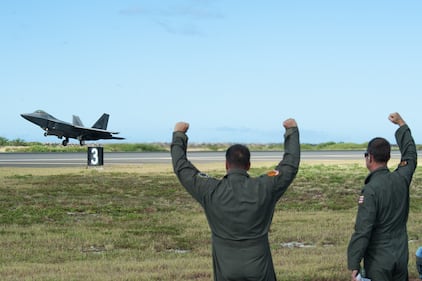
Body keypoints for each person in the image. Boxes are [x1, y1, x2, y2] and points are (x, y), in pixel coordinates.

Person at [171, 119, 300, 281]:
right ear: (248, 165)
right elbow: (290, 166)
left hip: (226, 270)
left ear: (226, 164)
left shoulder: (211, 190)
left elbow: (182, 168)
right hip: (260, 267)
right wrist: (292, 131)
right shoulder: (265, 187)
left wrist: (179, 135)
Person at [347, 112, 417, 281]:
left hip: (379, 261)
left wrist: (354, 263)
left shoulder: (370, 190)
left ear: (369, 157)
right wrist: (402, 125)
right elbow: (410, 156)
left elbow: (363, 230)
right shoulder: (401, 179)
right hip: (401, 256)